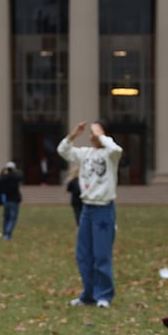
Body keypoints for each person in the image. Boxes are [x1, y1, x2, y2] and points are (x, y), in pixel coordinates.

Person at [58, 121, 123, 308]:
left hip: (103, 209)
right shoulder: (85, 153)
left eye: (95, 133)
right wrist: (73, 135)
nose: (91, 136)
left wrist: (101, 134)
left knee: (101, 254)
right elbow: (63, 150)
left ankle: (104, 295)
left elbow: (116, 149)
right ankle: (88, 294)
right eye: (91, 133)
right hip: (87, 209)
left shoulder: (110, 155)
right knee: (83, 254)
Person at [0, 161, 24, 240]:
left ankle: (5, 233)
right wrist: (16, 171)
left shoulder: (3, 178)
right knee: (12, 218)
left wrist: (3, 171)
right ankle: (8, 234)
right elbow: (21, 176)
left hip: (6, 200)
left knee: (6, 217)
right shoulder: (15, 177)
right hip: (14, 200)